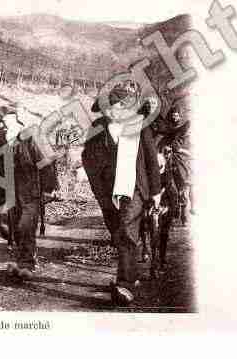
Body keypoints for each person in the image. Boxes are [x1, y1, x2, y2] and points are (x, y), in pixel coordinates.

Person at [82, 83, 162, 304]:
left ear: (122, 105)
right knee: (117, 232)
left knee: (127, 231)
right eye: (106, 108)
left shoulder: (139, 125)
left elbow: (151, 159)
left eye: (113, 106)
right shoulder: (97, 129)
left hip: (134, 188)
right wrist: (97, 184)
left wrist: (155, 191)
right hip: (107, 192)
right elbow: (88, 158)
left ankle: (124, 285)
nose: (110, 111)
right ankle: (131, 273)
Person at [0, 104, 57, 280]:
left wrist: (48, 189)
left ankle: (27, 264)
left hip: (30, 190)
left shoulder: (30, 136)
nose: (1, 126)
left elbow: (47, 163)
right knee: (10, 225)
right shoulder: (1, 139)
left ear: (13, 118)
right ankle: (24, 256)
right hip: (9, 191)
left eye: (3, 122)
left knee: (25, 225)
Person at [154, 102, 193, 225]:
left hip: (179, 156)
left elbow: (184, 144)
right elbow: (162, 141)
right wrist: (164, 148)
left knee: (182, 177)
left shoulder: (184, 129)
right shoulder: (166, 128)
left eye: (177, 115)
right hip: (167, 155)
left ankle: (184, 214)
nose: (175, 117)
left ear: (180, 116)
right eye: (173, 115)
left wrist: (177, 148)